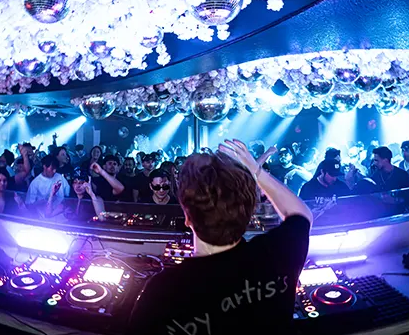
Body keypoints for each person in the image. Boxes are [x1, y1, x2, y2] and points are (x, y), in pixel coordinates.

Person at [128, 140, 312, 334]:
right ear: (249, 213)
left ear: (187, 217)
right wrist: (256, 170)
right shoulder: (275, 254)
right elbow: (301, 215)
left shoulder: (162, 291)